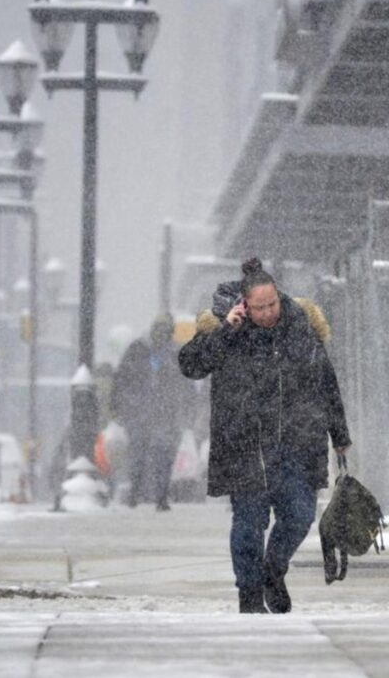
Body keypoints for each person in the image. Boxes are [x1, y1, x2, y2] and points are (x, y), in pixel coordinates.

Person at [178, 258, 352, 614]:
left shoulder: (301, 324)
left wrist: (339, 433)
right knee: (249, 523)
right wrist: (227, 330)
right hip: (245, 446)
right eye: (260, 307)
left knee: (301, 514)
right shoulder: (224, 328)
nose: (269, 312)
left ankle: (274, 569)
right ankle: (249, 595)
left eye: (272, 303)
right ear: (244, 305)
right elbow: (191, 365)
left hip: (297, 443)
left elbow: (326, 381)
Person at [111, 313, 194, 511]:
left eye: (165, 330)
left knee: (163, 455)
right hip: (141, 411)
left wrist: (187, 409)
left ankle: (159, 495)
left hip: (165, 413)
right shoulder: (138, 350)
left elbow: (186, 384)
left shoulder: (175, 353)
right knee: (139, 452)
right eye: (159, 329)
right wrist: (119, 405)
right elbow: (122, 379)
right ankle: (137, 492)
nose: (162, 334)